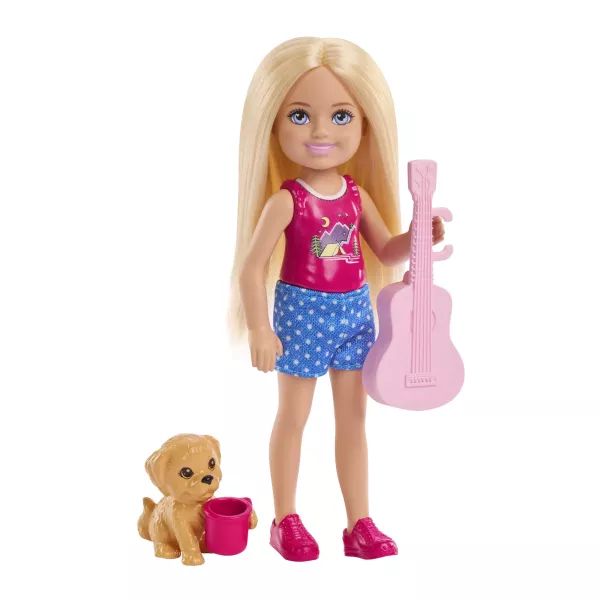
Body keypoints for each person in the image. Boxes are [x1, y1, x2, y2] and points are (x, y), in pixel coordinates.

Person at [229, 37, 444, 561]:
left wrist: (418, 234)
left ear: (365, 124)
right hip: (302, 315)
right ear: (272, 126)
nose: (321, 131)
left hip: (353, 312)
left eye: (341, 116)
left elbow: (385, 248)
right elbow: (251, 267)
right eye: (300, 116)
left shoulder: (354, 195)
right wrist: (260, 328)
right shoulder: (288, 201)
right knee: (293, 418)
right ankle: (285, 518)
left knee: (353, 421)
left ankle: (358, 522)